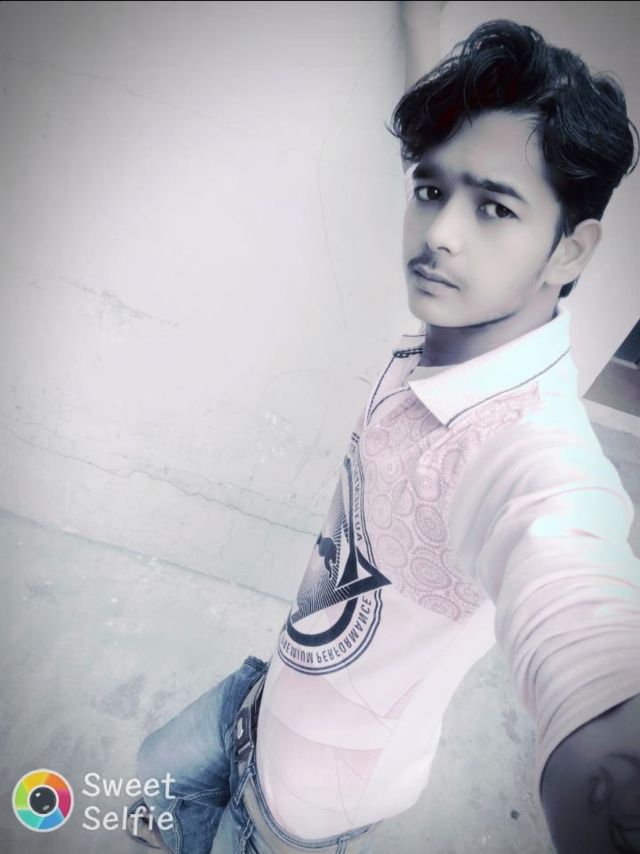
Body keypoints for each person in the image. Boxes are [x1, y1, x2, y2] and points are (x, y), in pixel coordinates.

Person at [125, 18, 640, 854]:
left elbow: (569, 576)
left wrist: (610, 747)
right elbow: (440, 151)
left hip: (307, 797)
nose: (439, 233)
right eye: (431, 191)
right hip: (267, 694)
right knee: (149, 780)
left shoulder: (528, 445)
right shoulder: (463, 311)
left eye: (495, 207)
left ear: (570, 250)